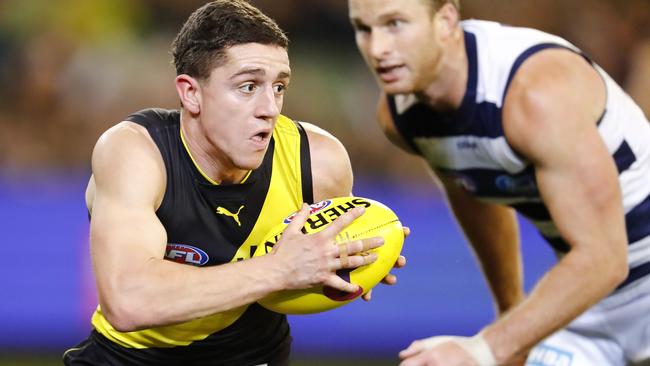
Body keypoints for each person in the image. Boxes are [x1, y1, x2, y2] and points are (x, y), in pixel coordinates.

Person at [62, 1, 391, 365]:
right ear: (191, 93)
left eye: (279, 86)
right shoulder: (136, 152)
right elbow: (127, 301)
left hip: (253, 356)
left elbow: (307, 272)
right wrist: (279, 268)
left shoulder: (319, 161)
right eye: (248, 86)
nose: (270, 107)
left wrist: (349, 262)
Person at [348, 0, 650, 365]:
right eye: (364, 29)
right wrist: (509, 318)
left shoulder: (534, 94)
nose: (378, 48)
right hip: (588, 305)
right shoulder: (402, 115)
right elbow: (473, 192)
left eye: (395, 24)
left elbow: (604, 258)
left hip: (607, 273)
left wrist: (486, 347)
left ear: (445, 20)